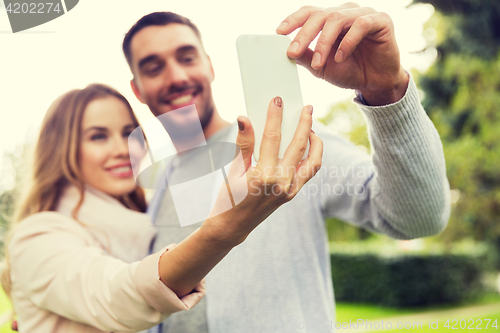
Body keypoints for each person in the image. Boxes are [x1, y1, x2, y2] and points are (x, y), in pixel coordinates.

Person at [122, 4, 451, 333]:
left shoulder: (287, 144)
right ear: (137, 89)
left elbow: (417, 217)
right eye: (153, 68)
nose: (176, 77)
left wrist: (386, 90)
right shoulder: (159, 185)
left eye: (186, 57)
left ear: (209, 66)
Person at [1, 83, 322, 332]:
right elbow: (116, 294)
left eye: (129, 133)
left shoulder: (145, 222)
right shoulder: (39, 234)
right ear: (60, 151)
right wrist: (225, 228)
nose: (122, 148)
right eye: (98, 136)